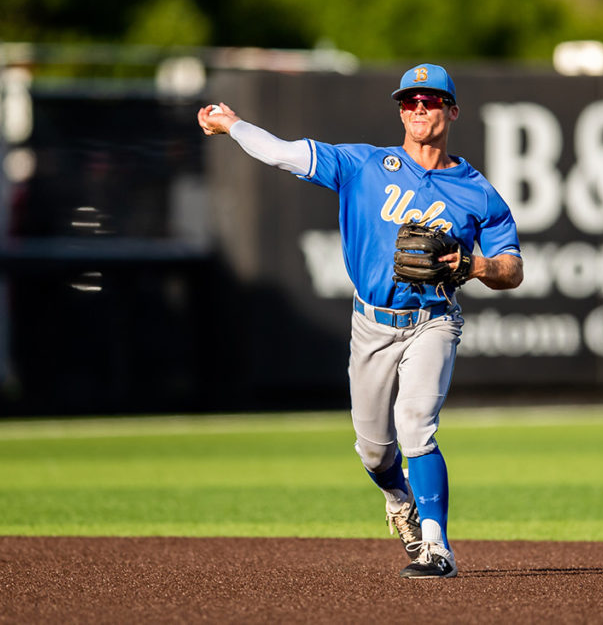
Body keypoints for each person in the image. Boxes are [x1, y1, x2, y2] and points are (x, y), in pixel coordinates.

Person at [197, 63, 523, 579]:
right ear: (401, 110)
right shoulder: (364, 166)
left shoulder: (477, 191)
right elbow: (282, 153)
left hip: (433, 319)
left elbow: (513, 268)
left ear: (452, 110)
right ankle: (400, 498)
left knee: (416, 427)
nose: (419, 108)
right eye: (410, 101)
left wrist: (476, 265)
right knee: (374, 451)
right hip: (370, 324)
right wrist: (232, 124)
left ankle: (437, 547)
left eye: (431, 100)